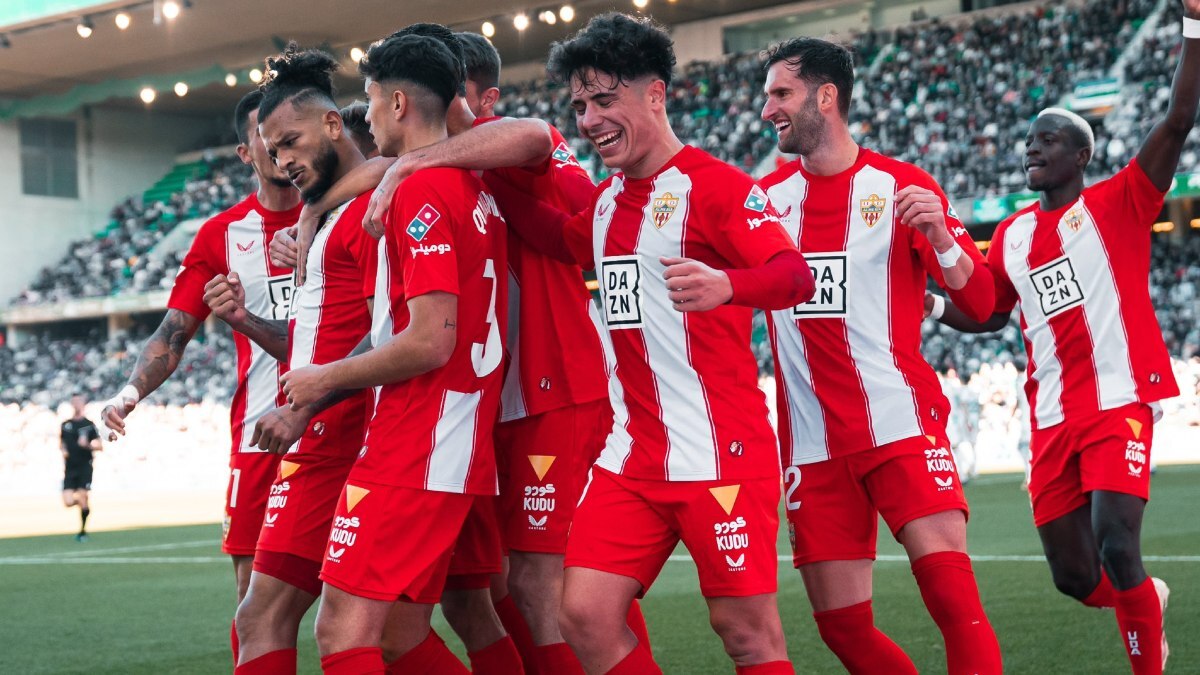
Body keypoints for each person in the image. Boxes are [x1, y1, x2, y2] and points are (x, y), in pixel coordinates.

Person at [292, 27, 631, 674]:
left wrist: (323, 377)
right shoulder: (456, 177)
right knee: (460, 604)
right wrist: (317, 209)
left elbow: (428, 337)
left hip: (499, 408)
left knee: (541, 586)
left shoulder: (466, 164)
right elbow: (383, 166)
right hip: (475, 419)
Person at [485, 13, 814, 674]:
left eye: (605, 100)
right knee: (582, 614)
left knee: (745, 632)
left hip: (720, 448)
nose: (590, 119)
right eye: (580, 105)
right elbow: (559, 237)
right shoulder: (607, 206)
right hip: (633, 457)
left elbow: (793, 275)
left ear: (655, 95)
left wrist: (728, 283)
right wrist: (481, 174)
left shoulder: (716, 187)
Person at [929, 4, 1200, 672]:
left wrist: (1195, 27)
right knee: (1075, 576)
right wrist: (929, 303)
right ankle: (1146, 601)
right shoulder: (1015, 233)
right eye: (1029, 139)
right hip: (1050, 418)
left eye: (1047, 140)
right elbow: (989, 311)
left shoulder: (1121, 203)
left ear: (1081, 155)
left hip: (1117, 403)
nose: (1031, 147)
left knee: (1117, 546)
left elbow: (1177, 121)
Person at [758, 37, 1002, 674]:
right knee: (843, 629)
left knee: (953, 599)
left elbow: (979, 304)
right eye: (766, 97)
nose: (767, 111)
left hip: (898, 421)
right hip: (810, 443)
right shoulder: (766, 202)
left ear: (826, 96)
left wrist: (943, 237)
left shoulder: (902, 187)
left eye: (781, 95)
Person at [278, 33, 509, 675]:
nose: (368, 116)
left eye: (372, 101)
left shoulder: (421, 192)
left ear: (399, 103)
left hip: (420, 438)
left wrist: (322, 377)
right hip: (454, 439)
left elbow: (431, 340)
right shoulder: (470, 186)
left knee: (342, 630)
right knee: (401, 634)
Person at [99, 89, 303, 661]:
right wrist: (130, 391)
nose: (282, 144)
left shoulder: (340, 214)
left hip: (347, 428)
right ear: (246, 152)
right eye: (269, 133)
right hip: (260, 440)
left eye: (293, 128)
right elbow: (172, 333)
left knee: (363, 610)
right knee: (252, 603)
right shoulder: (222, 235)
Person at [200, 45, 378, 675]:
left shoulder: (373, 209)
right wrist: (245, 319)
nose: (282, 162)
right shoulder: (324, 217)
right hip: (315, 434)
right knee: (260, 615)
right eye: (271, 150)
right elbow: (314, 339)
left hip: (354, 437)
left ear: (334, 125)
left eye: (290, 142)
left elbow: (397, 329)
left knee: (377, 628)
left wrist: (311, 403)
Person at [61, 393, 102, 542]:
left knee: (83, 495)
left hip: (85, 466)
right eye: (74, 401)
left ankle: (83, 531)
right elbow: (63, 443)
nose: (76, 404)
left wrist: (88, 445)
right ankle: (84, 507)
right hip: (70, 467)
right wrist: (63, 450)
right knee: (68, 502)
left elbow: (100, 446)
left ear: (83, 404)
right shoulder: (65, 424)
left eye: (78, 401)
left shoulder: (89, 425)